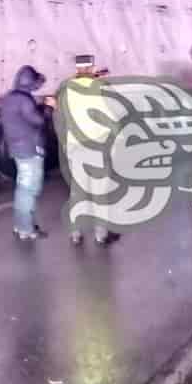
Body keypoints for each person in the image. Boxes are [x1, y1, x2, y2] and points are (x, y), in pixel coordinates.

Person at [59, 54, 117, 247]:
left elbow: (64, 117)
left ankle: (75, 234)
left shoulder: (67, 89)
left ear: (77, 69)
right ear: (92, 67)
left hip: (76, 146)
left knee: (78, 192)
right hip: (96, 147)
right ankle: (100, 235)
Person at [1, 64, 50, 241]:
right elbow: (37, 121)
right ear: (30, 83)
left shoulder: (9, 98)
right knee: (29, 189)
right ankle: (26, 229)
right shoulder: (25, 100)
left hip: (17, 148)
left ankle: (20, 224)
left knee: (23, 187)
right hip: (30, 149)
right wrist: (46, 110)